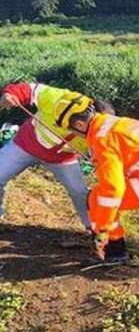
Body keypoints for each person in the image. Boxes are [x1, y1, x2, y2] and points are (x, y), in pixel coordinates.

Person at [54, 92, 139, 262]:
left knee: (97, 198)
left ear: (79, 124)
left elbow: (113, 188)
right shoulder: (117, 123)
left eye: (71, 129)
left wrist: (103, 226)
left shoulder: (101, 138)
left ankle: (116, 252)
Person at [0, 82, 100, 229]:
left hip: (62, 160)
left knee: (80, 192)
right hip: (24, 145)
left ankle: (96, 230)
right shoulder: (57, 97)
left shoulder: (99, 129)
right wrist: (10, 95)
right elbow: (27, 89)